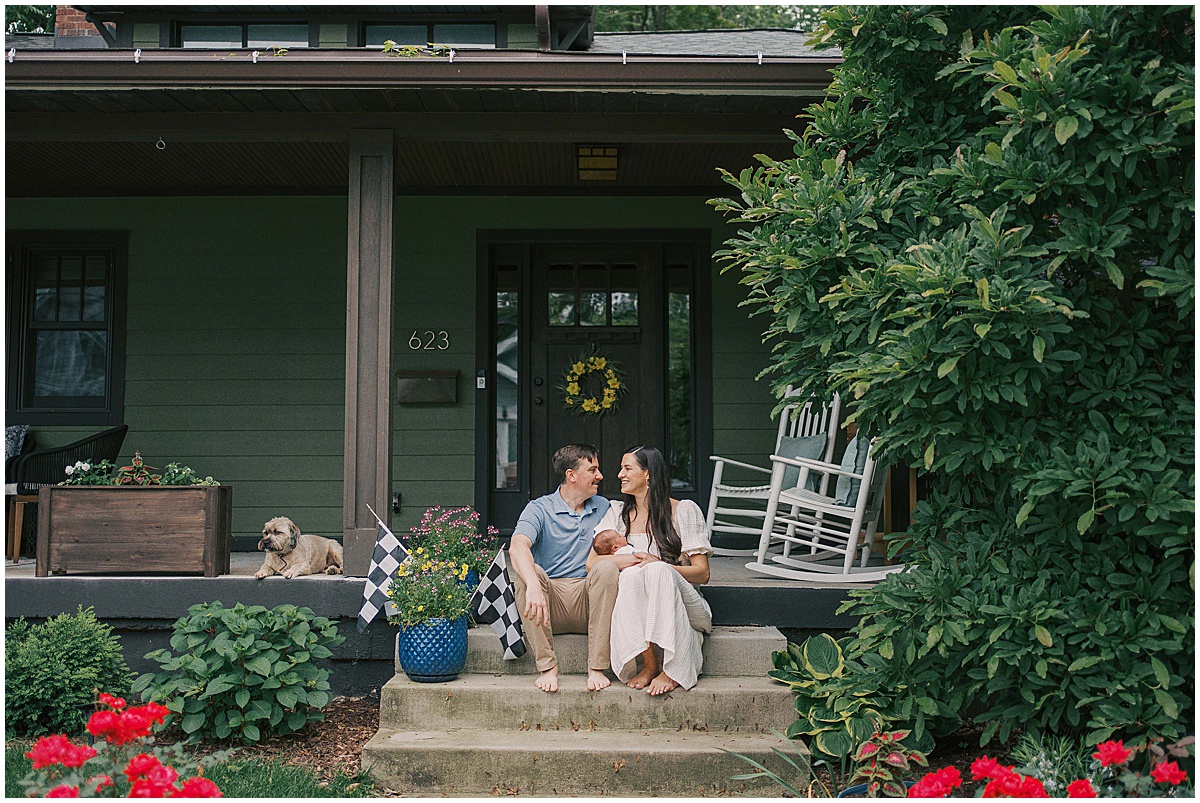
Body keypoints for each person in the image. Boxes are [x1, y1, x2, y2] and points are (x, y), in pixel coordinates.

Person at [587, 445, 713, 695]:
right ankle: (650, 663)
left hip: (687, 605)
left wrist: (661, 565)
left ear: (647, 474)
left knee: (656, 572)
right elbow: (592, 564)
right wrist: (631, 562)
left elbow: (703, 573)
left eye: (627, 468)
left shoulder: (682, 510)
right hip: (638, 600)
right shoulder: (617, 514)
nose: (620, 474)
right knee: (634, 574)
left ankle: (672, 666)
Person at [508, 444, 619, 693]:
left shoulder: (604, 508)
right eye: (593, 470)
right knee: (528, 574)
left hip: (590, 601)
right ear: (571, 475)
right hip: (548, 606)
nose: (600, 476)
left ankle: (597, 667)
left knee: (607, 569)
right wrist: (535, 586)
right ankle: (547, 667)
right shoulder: (539, 508)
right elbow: (517, 546)